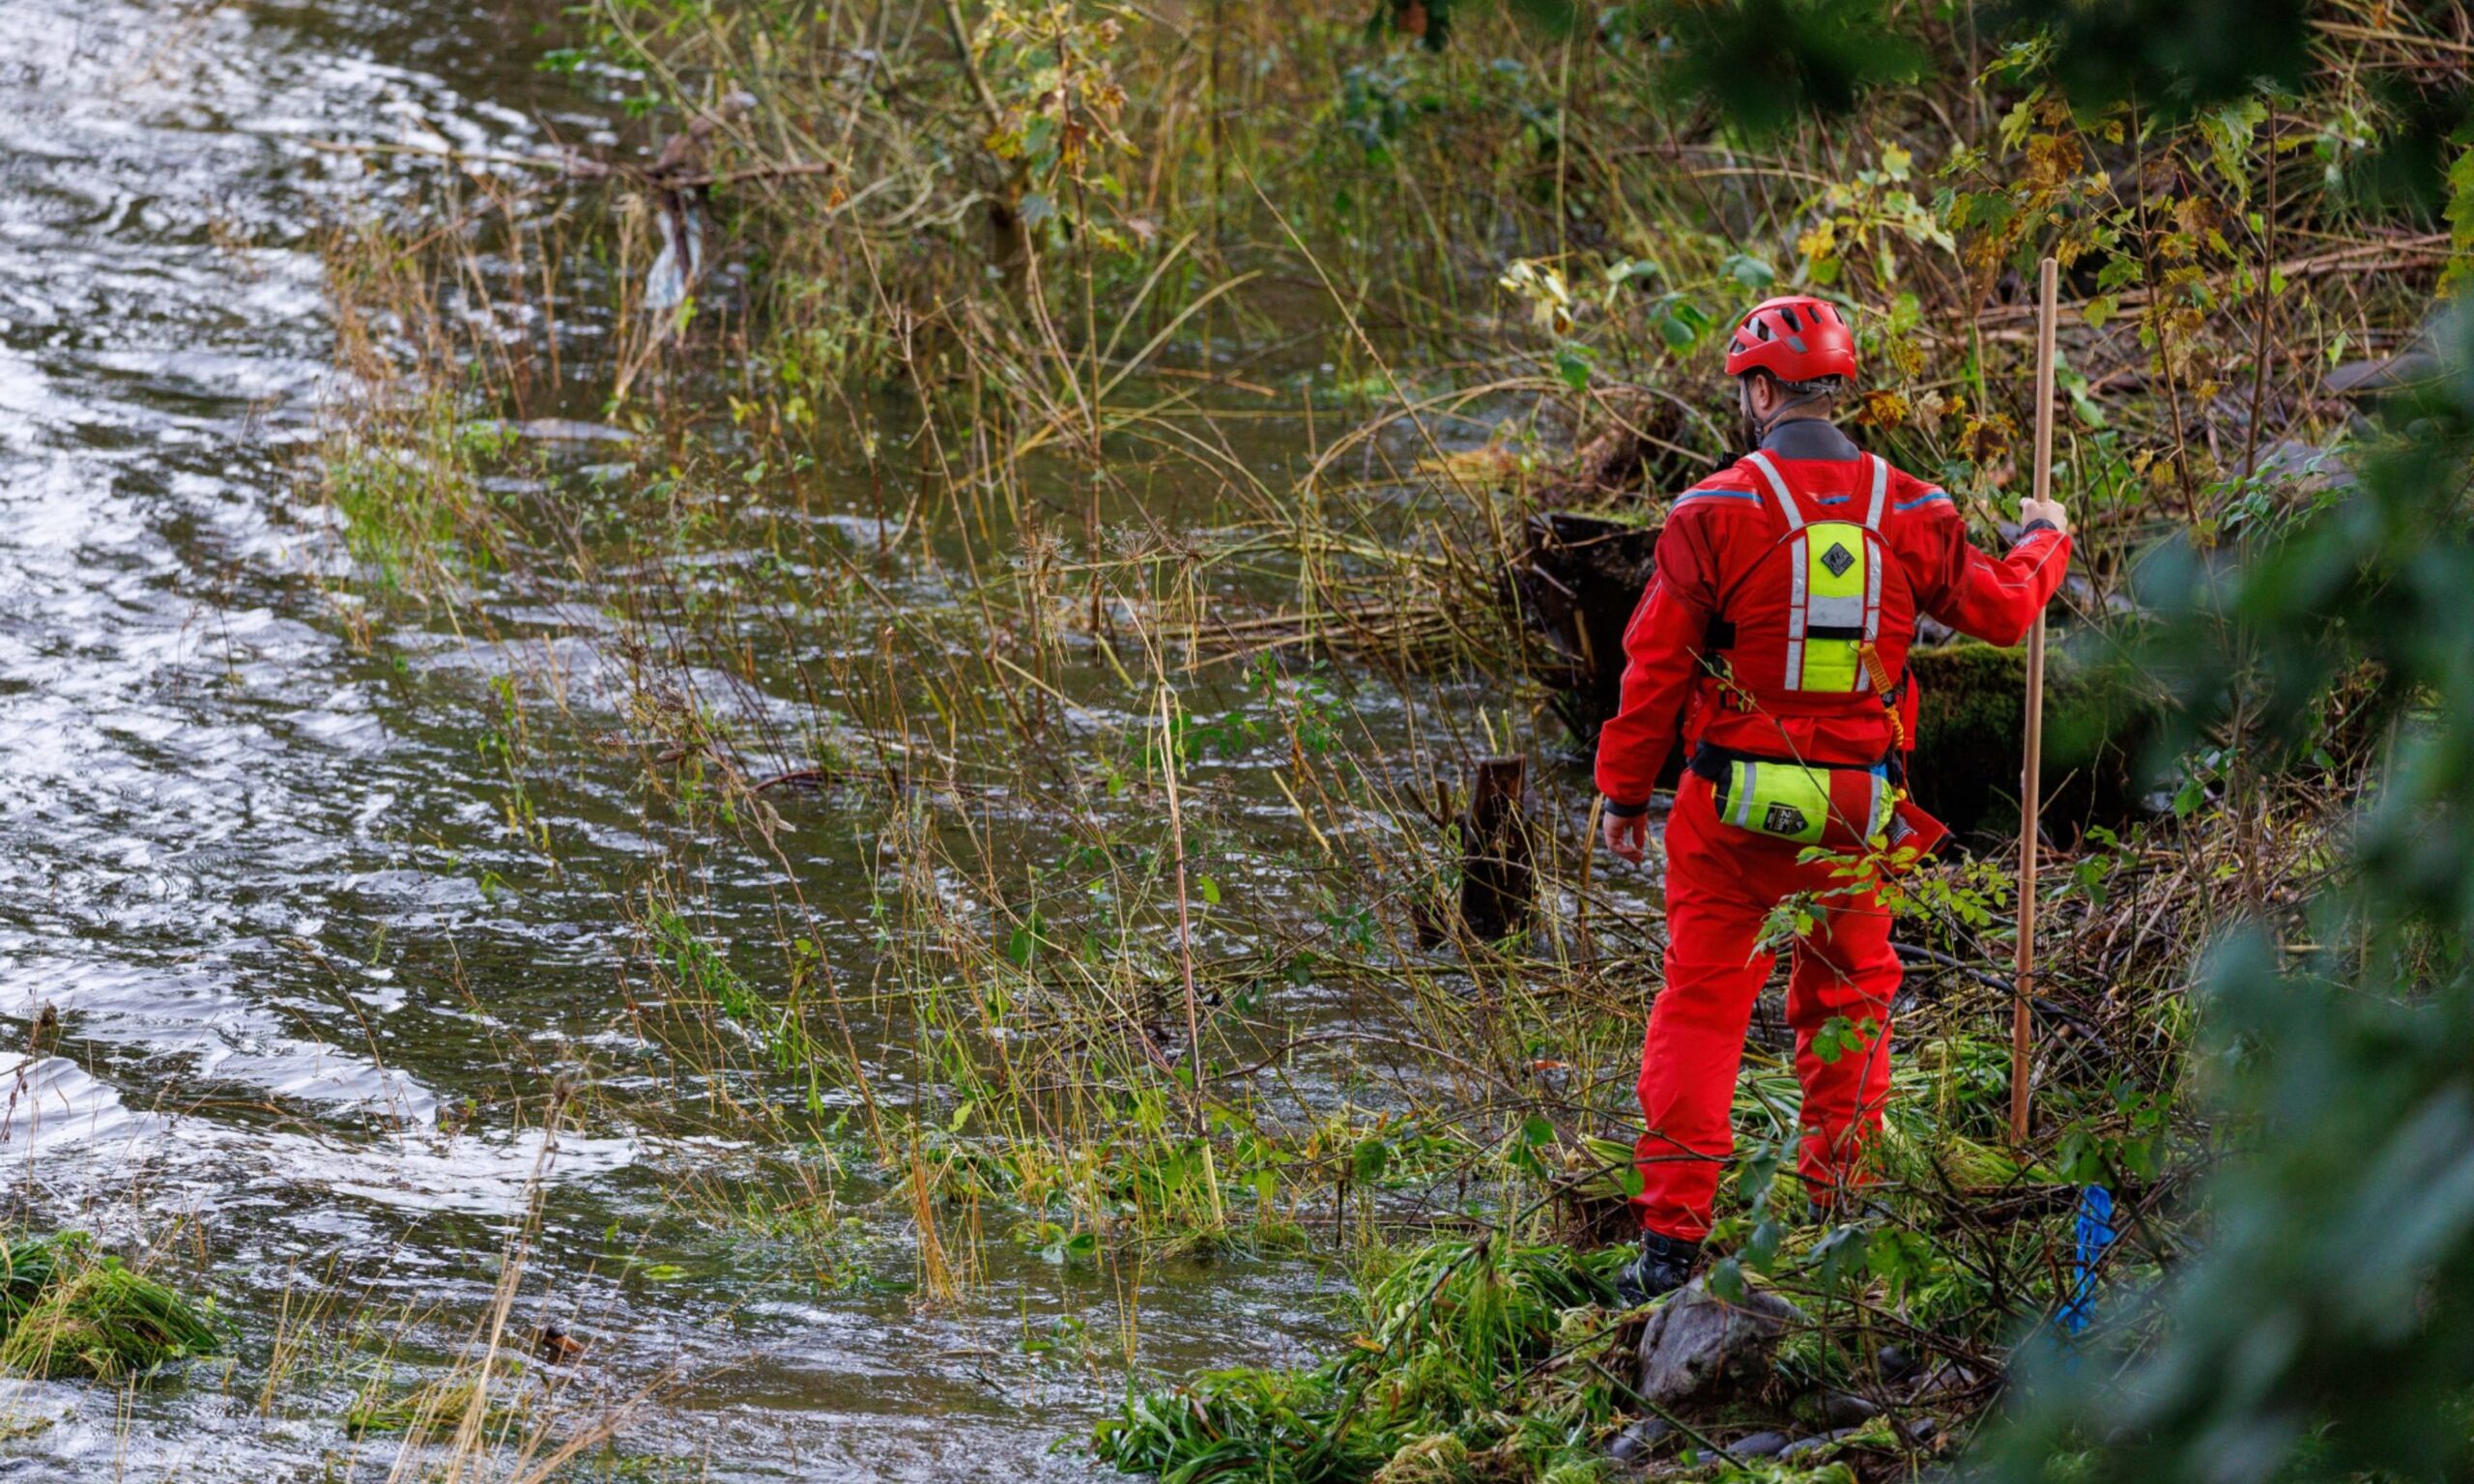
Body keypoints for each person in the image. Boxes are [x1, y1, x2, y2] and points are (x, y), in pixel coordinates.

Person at [1596, 294, 2071, 1303]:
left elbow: (1653, 670)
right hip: (1858, 815)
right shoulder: (1914, 509)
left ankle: (1669, 1248)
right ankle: (1834, 1215)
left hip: (1726, 812)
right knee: (1848, 1005)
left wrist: (1623, 795)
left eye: (1744, 388)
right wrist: (2044, 539)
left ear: (1761, 392)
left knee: (1700, 1007)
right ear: (1838, 388)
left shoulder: (1708, 513)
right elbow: (1999, 612)